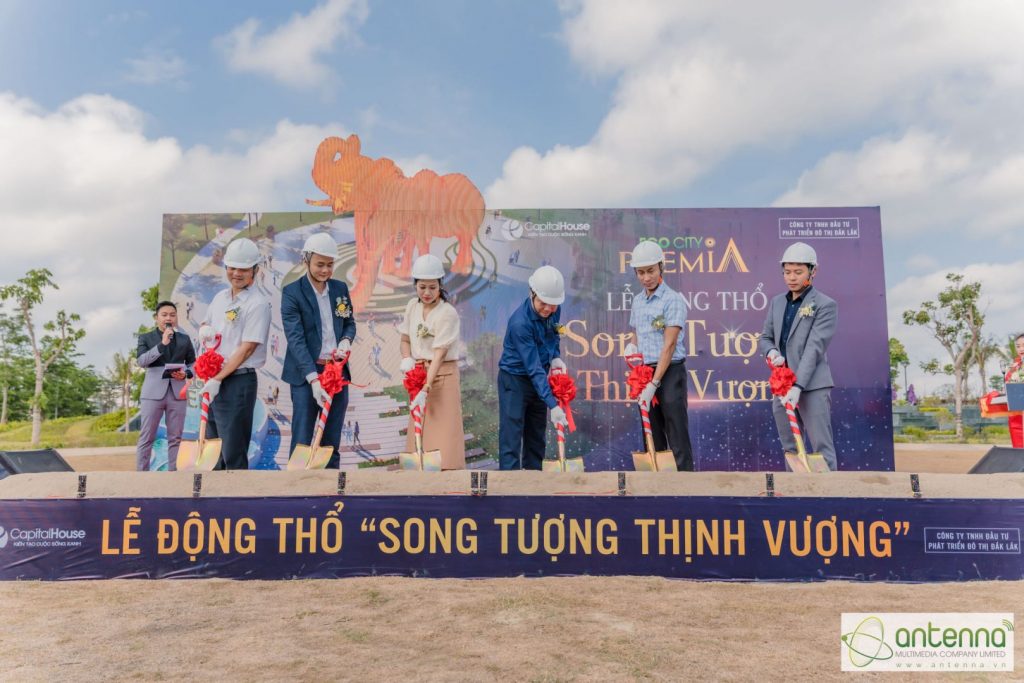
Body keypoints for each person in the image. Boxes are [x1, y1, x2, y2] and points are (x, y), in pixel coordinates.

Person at [758, 242, 838, 470]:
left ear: (813, 271)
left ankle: (828, 491)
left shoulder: (825, 305)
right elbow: (765, 337)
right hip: (782, 386)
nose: (791, 277)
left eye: (798, 272)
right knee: (791, 448)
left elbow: (814, 348)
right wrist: (771, 351)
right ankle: (795, 490)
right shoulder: (777, 303)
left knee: (821, 448)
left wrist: (798, 386)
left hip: (812, 386)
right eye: (787, 272)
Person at [281, 233, 356, 469]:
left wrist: (346, 340)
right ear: (306, 260)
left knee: (331, 441)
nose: (325, 270)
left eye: (330, 265)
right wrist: (313, 380)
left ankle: (331, 485)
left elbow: (349, 322)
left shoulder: (340, 288)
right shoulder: (292, 292)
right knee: (302, 439)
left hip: (337, 373)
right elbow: (296, 340)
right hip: (306, 376)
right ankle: (297, 487)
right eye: (320, 264)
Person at [197, 237, 272, 470]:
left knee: (232, 450)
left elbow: (247, 348)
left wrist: (219, 378)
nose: (237, 273)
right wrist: (204, 330)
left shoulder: (257, 303)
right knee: (213, 449)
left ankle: (235, 494)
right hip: (214, 380)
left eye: (244, 269)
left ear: (255, 270)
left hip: (238, 381)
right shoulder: (220, 298)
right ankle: (213, 493)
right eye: (232, 267)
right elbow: (207, 323)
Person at [627, 240, 694, 470]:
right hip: (644, 371)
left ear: (661, 267)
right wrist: (632, 347)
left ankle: (684, 480)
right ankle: (655, 480)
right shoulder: (638, 301)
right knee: (651, 431)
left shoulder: (672, 299)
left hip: (670, 371)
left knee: (676, 429)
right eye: (641, 272)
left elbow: (670, 344)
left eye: (651, 271)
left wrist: (654, 383)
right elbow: (636, 333)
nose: (646, 277)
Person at [497, 265, 570, 470]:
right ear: (532, 293)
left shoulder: (554, 309)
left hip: (538, 382)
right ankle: (509, 484)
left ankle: (534, 482)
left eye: (552, 304)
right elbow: (533, 367)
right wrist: (552, 405)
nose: (547, 309)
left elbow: (553, 335)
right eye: (542, 303)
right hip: (515, 381)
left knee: (536, 438)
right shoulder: (520, 323)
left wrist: (555, 356)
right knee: (511, 437)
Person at [398, 254, 466, 469]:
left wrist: (426, 388)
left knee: (445, 438)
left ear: (440, 285)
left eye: (432, 287)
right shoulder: (412, 306)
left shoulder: (447, 313)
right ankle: (418, 477)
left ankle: (449, 478)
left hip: (442, 377)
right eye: (422, 287)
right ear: (415, 285)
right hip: (418, 375)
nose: (426, 293)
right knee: (419, 436)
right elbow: (405, 339)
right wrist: (407, 359)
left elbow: (439, 354)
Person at [135, 301, 195, 471]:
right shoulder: (145, 338)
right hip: (152, 394)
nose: (169, 318)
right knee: (147, 437)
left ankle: (173, 476)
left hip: (177, 393)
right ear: (157, 318)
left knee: (175, 438)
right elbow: (142, 361)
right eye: (164, 315)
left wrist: (187, 374)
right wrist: (162, 344)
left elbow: (193, 363)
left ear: (176, 318)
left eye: (172, 315)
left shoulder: (184, 339)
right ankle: (141, 476)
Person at [1003, 333, 1024, 448]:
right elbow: (1007, 385)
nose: (1021, 349)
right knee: (1019, 448)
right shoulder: (1013, 367)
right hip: (1017, 415)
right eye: (1018, 346)